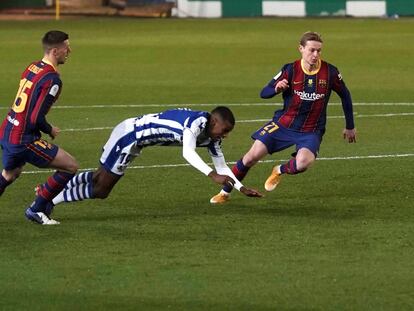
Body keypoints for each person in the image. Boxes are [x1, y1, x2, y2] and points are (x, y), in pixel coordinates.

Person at [210, 31, 356, 204]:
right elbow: (264, 93)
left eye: (319, 51)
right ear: (301, 49)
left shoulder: (330, 72)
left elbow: (345, 96)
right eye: (311, 50)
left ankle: (279, 170)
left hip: (311, 130)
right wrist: (276, 89)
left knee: (302, 163)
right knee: (251, 157)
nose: (315, 55)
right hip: (283, 124)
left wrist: (350, 126)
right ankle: (225, 193)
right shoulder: (290, 69)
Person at [46, 107, 262, 217]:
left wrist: (241, 188)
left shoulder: (211, 138)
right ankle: (49, 201)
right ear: (214, 121)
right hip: (129, 135)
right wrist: (212, 175)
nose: (225, 136)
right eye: (224, 131)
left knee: (99, 180)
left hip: (136, 141)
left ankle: (48, 195)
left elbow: (223, 166)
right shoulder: (195, 124)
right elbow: (188, 153)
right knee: (101, 188)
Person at [0, 30, 78, 224]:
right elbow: (36, 118)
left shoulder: (32, 67)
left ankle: (39, 205)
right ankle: (37, 209)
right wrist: (50, 129)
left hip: (7, 130)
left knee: (10, 174)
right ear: (55, 50)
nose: (69, 50)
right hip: (23, 139)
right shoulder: (53, 80)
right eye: (66, 47)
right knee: (70, 166)